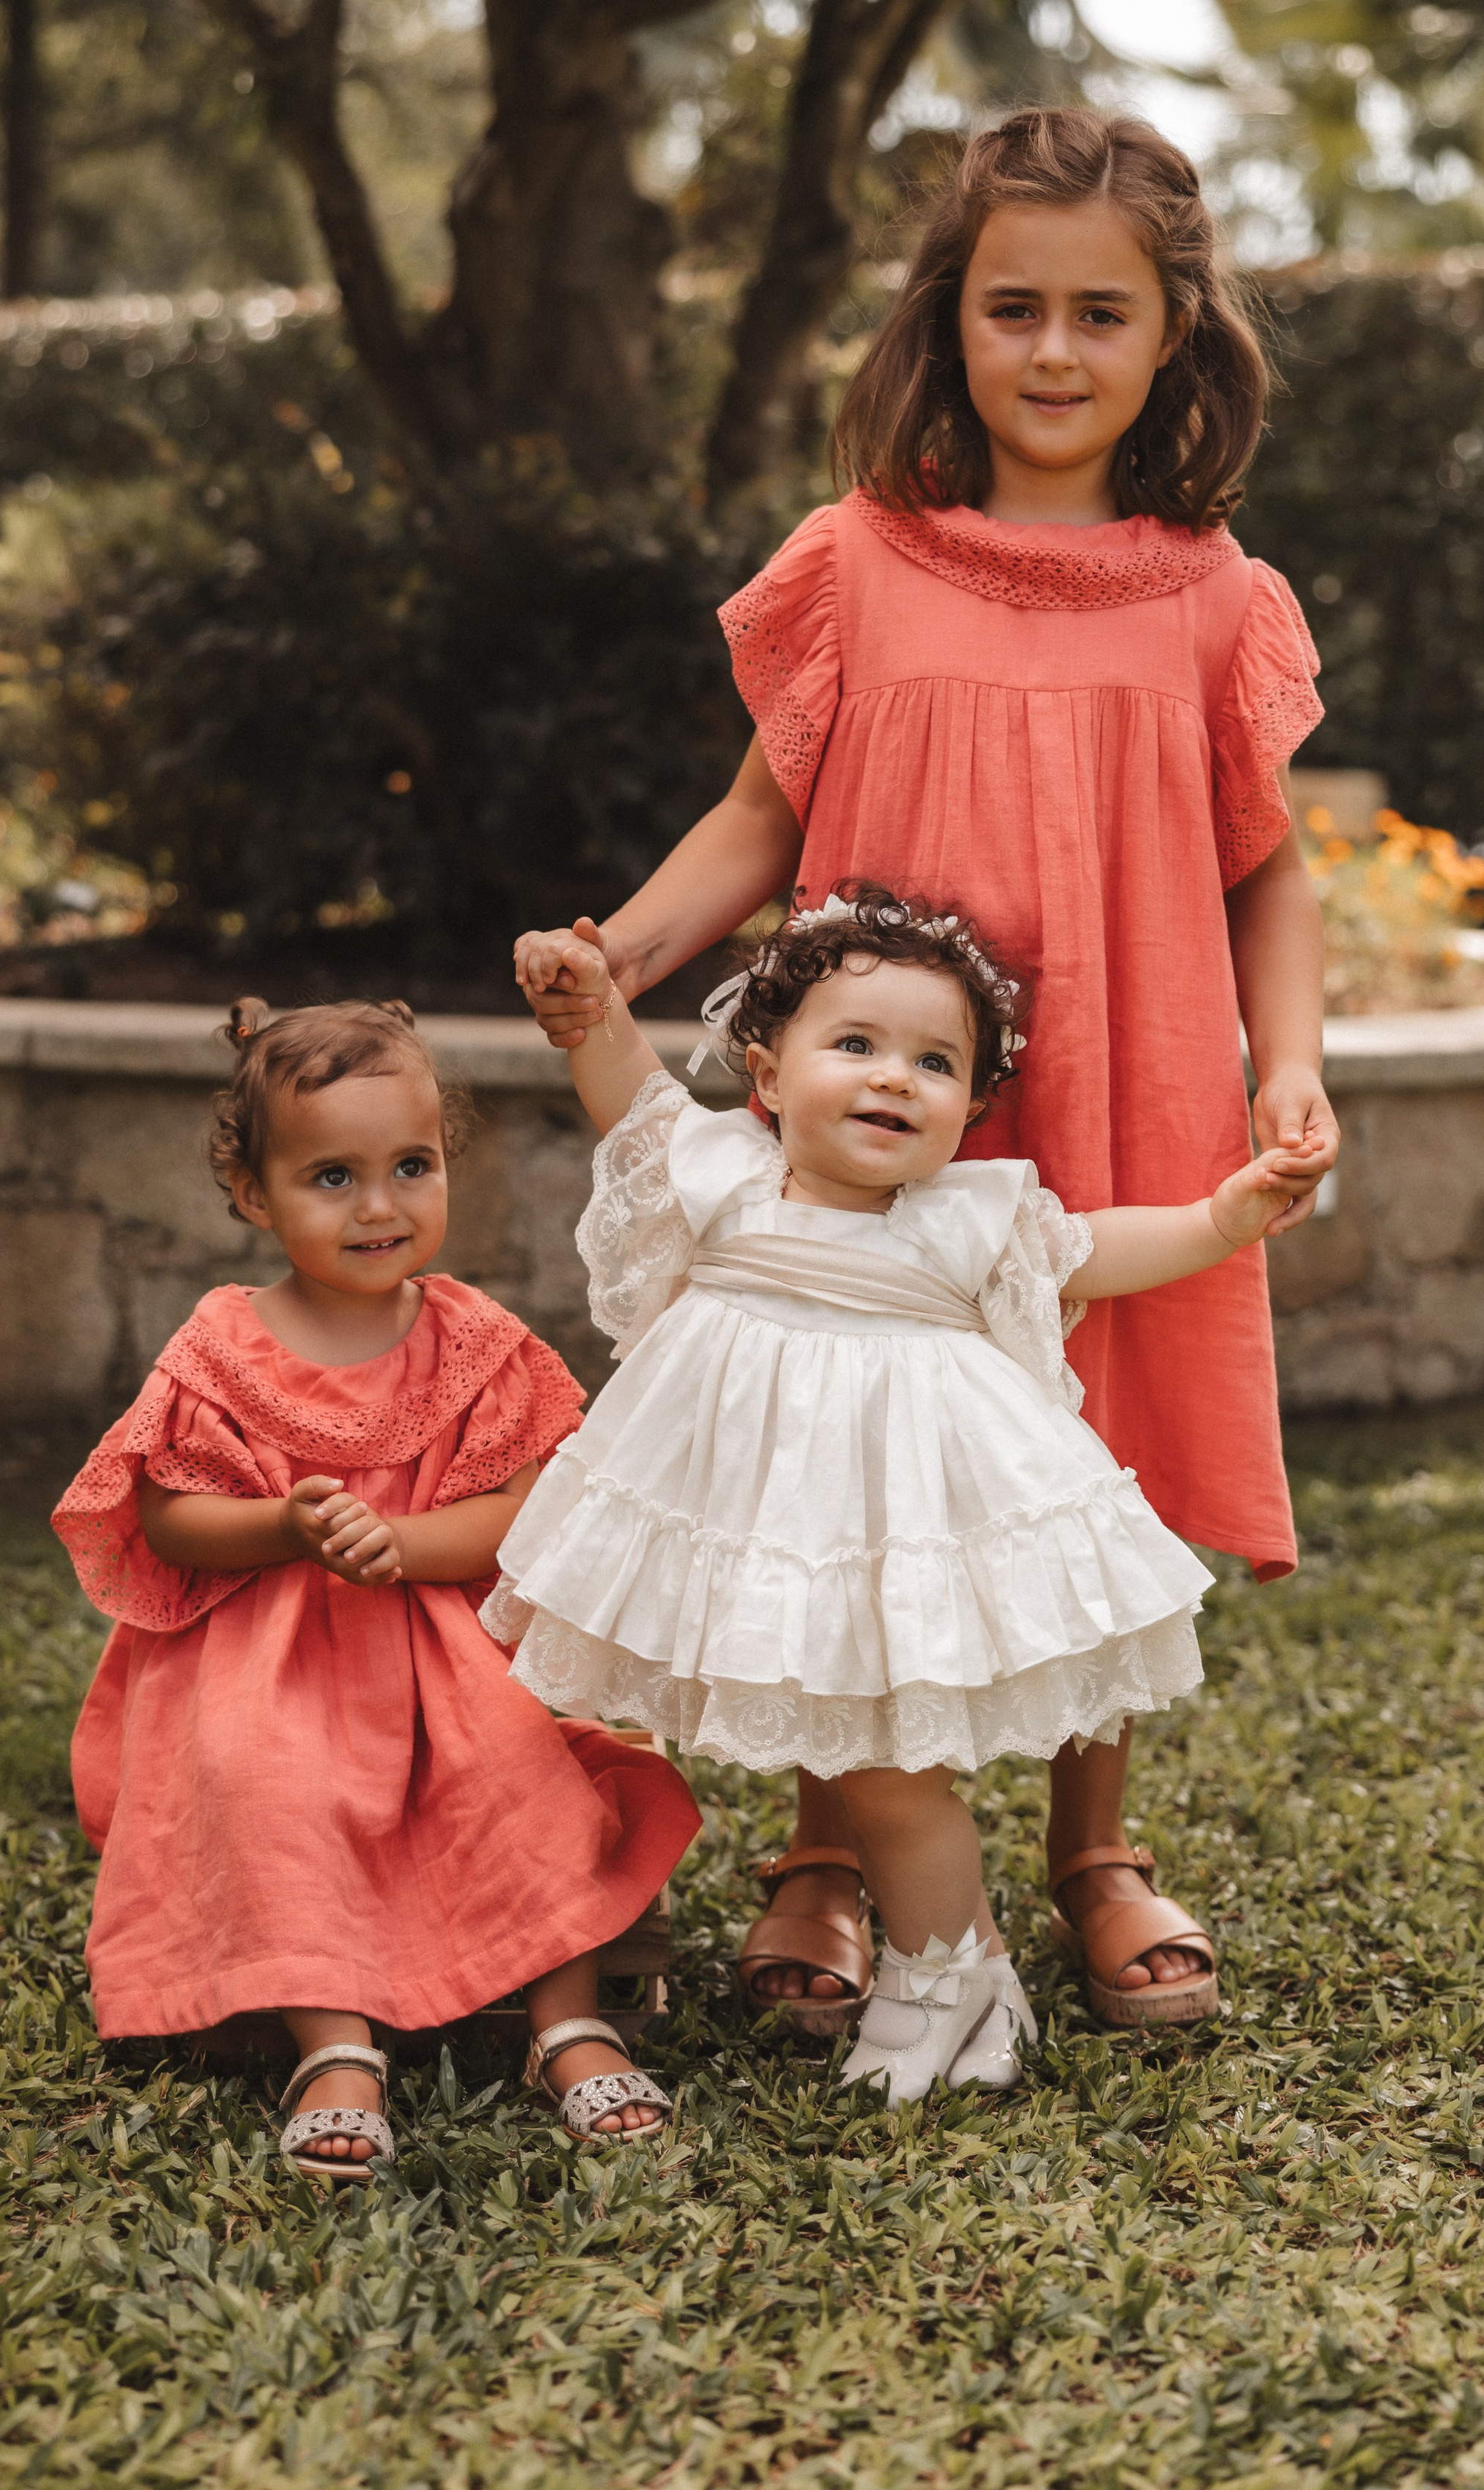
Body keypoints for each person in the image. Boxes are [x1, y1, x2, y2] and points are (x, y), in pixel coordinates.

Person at [518, 107, 1335, 2037]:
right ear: (945, 320)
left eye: (1101, 313)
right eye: (1012, 305)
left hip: (1125, 1085)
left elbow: (1269, 867)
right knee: (844, 1445)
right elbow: (754, 816)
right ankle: (827, 1849)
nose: (1054, 351)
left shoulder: (1216, 597)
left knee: (1088, 1452)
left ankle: (1096, 1842)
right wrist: (625, 954)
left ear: (1175, 338)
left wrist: (1288, 1067)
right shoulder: (856, 563)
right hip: (871, 1101)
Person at [492, 888, 1328, 2104]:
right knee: (852, 1748)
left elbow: (1097, 1246)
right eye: (856, 1046)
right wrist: (589, 1008)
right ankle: (955, 1962)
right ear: (768, 1076)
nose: (895, 1078)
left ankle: (953, 1964)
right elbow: (628, 1086)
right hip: (761, 1536)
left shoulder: (960, 1222)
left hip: (892, 1542)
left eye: (936, 1063)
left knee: (886, 1757)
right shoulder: (727, 1174)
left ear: (973, 1109)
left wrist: (1222, 1215)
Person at [52, 997, 699, 2179]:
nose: (382, 1205)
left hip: (444, 1634)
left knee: (521, 1767)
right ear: (253, 1194)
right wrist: (284, 1526)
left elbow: (528, 1512)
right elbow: (164, 1517)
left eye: (413, 1165)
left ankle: (566, 2017)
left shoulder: (475, 1340)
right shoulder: (221, 1348)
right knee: (262, 1773)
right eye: (333, 1177)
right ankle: (334, 2043)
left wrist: (407, 1545)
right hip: (276, 1649)